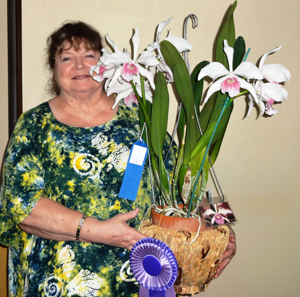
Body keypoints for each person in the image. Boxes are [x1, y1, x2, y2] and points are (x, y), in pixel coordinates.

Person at [0, 21, 235, 296]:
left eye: (89, 55)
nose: (79, 65)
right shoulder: (33, 125)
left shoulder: (139, 118)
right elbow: (21, 207)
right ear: (54, 69)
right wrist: (97, 231)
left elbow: (187, 179)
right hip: (58, 278)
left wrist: (223, 229)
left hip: (141, 273)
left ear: (105, 65)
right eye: (66, 57)